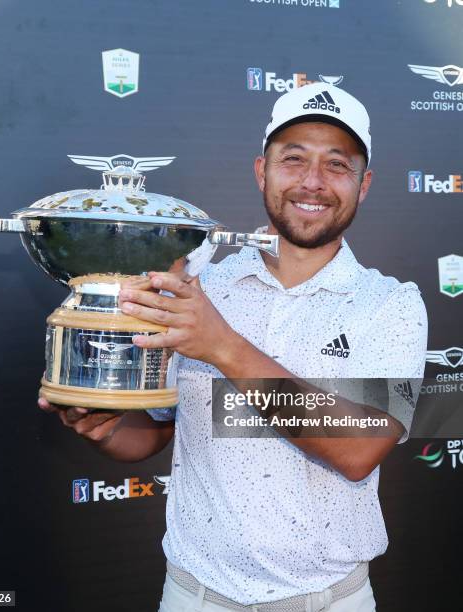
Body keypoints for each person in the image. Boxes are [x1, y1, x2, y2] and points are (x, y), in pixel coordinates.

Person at [39, 83, 427, 611]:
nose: (313, 182)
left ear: (364, 185)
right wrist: (105, 429)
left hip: (331, 601)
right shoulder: (198, 288)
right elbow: (153, 432)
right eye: (293, 159)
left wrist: (223, 346)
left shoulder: (393, 304)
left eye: (338, 165)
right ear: (261, 171)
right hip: (195, 595)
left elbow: (360, 448)